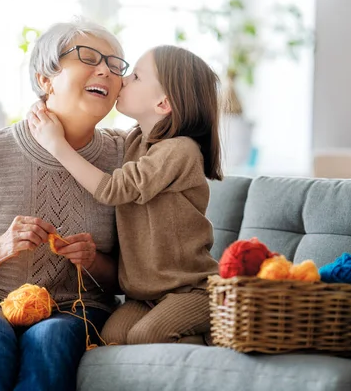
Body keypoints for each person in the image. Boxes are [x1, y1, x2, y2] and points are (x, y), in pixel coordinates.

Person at [0, 19, 130, 391]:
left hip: (77, 309)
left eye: (116, 65)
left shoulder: (123, 157)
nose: (106, 69)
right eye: (89, 57)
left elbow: (129, 279)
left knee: (50, 339)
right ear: (45, 79)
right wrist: (4, 245)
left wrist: (92, 260)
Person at [28, 45, 223, 345]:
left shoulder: (180, 150)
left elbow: (113, 189)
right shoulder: (134, 141)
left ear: (163, 103)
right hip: (143, 295)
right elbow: (96, 141)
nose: (122, 79)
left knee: (146, 335)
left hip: (190, 289)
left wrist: (57, 146)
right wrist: (50, 110)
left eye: (136, 77)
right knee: (110, 340)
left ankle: (206, 339)